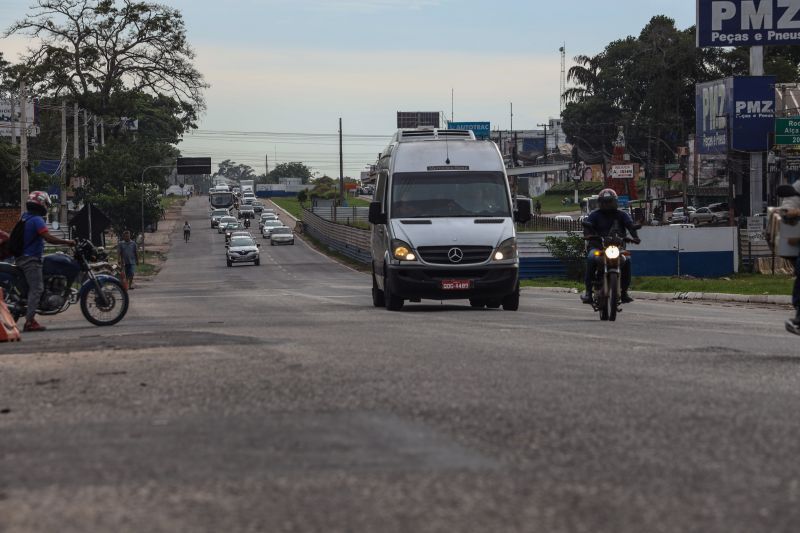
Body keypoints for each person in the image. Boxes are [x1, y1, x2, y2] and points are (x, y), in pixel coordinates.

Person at [15, 191, 75, 332]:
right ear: (41, 204)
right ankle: (29, 322)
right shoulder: (37, 220)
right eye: (46, 204)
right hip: (30, 260)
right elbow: (48, 238)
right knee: (37, 289)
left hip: (22, 257)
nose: (47, 207)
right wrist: (67, 242)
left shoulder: (25, 217)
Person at [580, 188, 640, 305]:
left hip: (618, 248)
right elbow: (588, 227)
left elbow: (630, 225)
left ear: (615, 201)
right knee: (591, 258)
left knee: (627, 259)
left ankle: (624, 292)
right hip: (598, 247)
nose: (607, 204)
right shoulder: (594, 215)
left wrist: (635, 236)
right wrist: (588, 235)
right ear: (600, 202)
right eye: (604, 202)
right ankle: (588, 292)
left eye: (610, 201)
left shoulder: (622, 215)